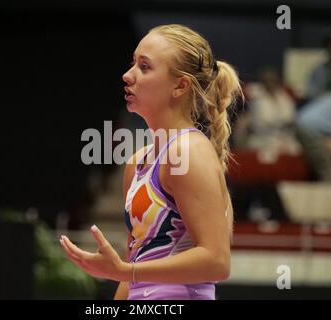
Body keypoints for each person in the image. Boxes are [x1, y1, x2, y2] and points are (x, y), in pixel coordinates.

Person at [59, 24, 242, 300]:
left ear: (180, 85)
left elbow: (217, 261)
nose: (127, 75)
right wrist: (124, 274)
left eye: (144, 67)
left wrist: (126, 271)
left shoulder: (190, 151)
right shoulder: (137, 163)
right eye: (133, 63)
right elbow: (136, 261)